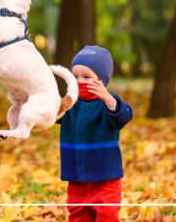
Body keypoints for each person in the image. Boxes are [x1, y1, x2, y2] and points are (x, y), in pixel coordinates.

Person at [58, 45, 134, 222]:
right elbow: (51, 114)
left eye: (87, 77)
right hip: (76, 175)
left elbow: (123, 116)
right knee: (78, 214)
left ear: (101, 80)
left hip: (105, 178)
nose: (80, 82)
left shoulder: (107, 103)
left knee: (106, 215)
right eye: (75, 77)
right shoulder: (70, 104)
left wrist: (108, 99)